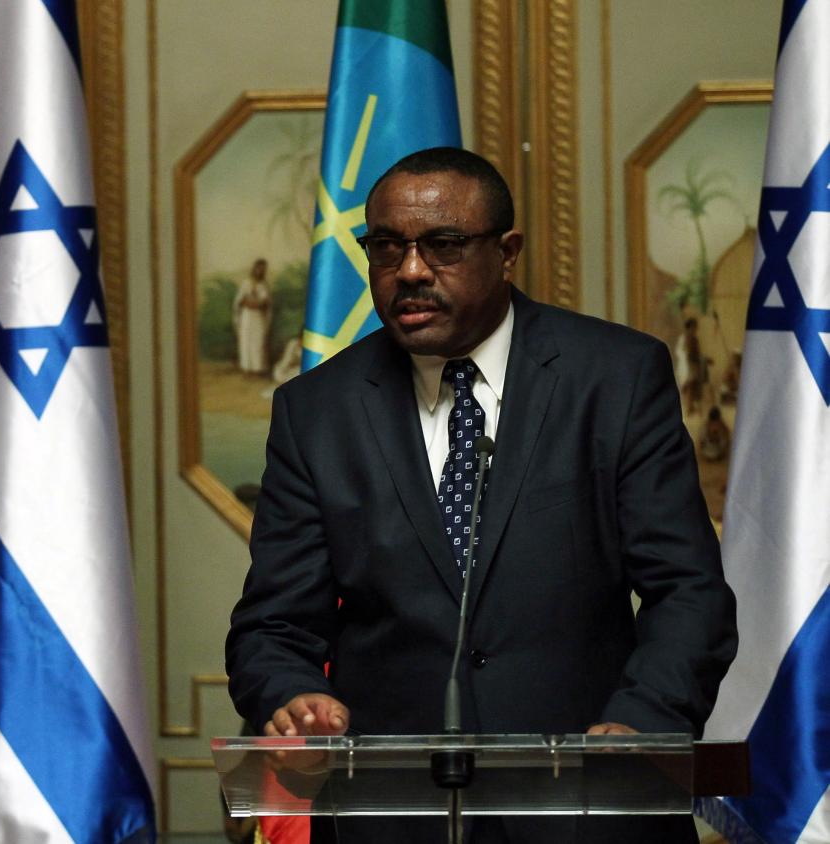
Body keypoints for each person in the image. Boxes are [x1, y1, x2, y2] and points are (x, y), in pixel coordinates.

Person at [225, 147, 737, 843]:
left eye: (443, 245)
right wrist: (293, 694)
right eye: (386, 247)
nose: (410, 271)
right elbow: (273, 625)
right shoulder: (316, 410)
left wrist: (643, 720)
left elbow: (688, 591)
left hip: (588, 810)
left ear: (507, 252)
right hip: (393, 817)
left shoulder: (614, 378)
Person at [234, 258, 274, 375]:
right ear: (254, 268)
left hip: (258, 317)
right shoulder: (246, 283)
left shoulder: (264, 285)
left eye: (263, 269)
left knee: (258, 342)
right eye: (258, 268)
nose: (260, 271)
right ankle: (247, 368)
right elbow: (240, 301)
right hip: (247, 317)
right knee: (246, 340)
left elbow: (266, 303)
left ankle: (258, 369)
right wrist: (250, 303)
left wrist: (257, 304)